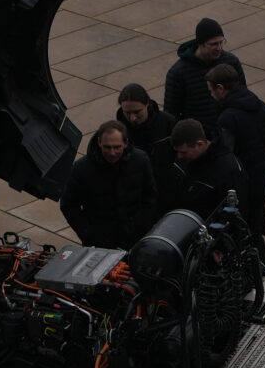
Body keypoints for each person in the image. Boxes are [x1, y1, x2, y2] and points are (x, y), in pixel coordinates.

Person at [62, 120, 159, 249]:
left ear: (125, 143)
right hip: (100, 243)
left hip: (135, 238)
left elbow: (150, 195)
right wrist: (88, 234)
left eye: (117, 147)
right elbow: (69, 205)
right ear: (99, 143)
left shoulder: (140, 160)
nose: (112, 153)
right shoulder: (82, 168)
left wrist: (142, 225)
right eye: (107, 147)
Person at [207, 62, 265, 240]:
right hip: (261, 178)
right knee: (256, 231)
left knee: (242, 235)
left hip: (241, 186)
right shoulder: (260, 106)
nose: (211, 94)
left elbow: (226, 156)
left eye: (211, 90)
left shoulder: (227, 118)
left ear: (221, 88)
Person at [160, 117, 247, 223]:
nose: (179, 157)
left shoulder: (228, 170)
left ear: (200, 144)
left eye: (183, 152)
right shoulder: (187, 159)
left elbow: (235, 212)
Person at [164, 18, 243, 125]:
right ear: (201, 44)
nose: (219, 48)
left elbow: (242, 95)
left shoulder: (231, 62)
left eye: (221, 42)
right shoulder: (178, 73)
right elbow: (171, 114)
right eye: (214, 44)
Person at [115, 83, 172, 162]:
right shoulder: (117, 132)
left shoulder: (167, 122)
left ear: (147, 104)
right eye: (127, 113)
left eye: (137, 112)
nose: (132, 118)